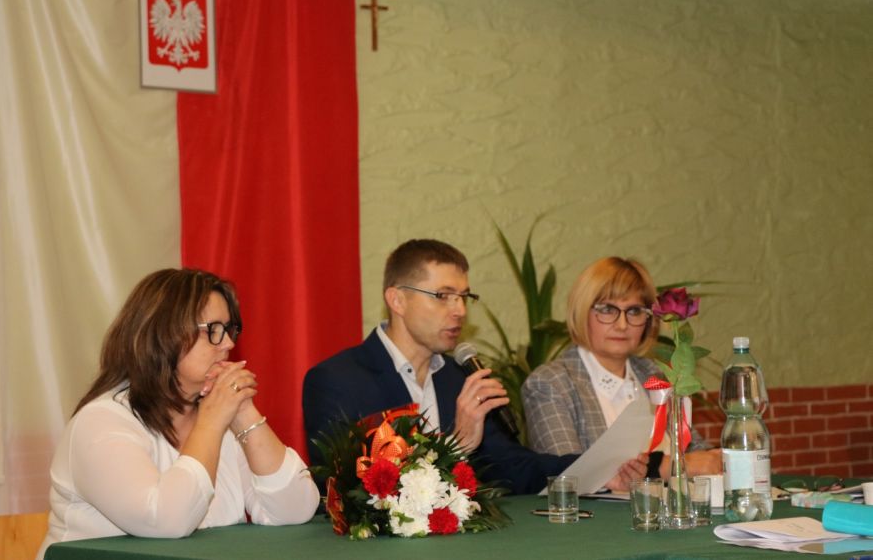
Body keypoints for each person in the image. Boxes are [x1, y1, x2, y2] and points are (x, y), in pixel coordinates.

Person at [302, 239, 647, 495]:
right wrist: (456, 445)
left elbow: (514, 467)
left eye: (464, 297)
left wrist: (601, 472)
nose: (460, 311)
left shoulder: (458, 378)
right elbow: (349, 491)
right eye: (443, 296)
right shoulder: (337, 381)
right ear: (398, 300)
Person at [38, 269, 319, 559]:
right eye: (213, 330)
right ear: (163, 335)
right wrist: (212, 422)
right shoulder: (100, 422)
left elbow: (295, 510)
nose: (228, 344)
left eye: (229, 329)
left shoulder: (220, 416)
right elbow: (166, 520)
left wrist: (244, 412)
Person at [522, 256, 722, 482]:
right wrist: (671, 466)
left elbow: (698, 455)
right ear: (581, 312)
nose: (622, 325)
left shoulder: (654, 375)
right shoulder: (550, 384)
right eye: (608, 309)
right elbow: (570, 479)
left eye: (635, 311)